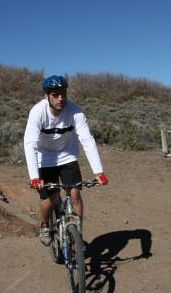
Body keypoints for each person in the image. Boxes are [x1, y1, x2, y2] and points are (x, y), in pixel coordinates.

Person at [23, 75, 109, 246]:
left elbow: (87, 140)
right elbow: (30, 144)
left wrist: (99, 172)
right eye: (55, 95)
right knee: (49, 200)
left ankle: (77, 233)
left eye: (63, 94)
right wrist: (34, 177)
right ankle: (45, 225)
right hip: (44, 160)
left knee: (75, 193)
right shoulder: (37, 112)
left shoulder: (75, 111)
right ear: (47, 96)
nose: (60, 99)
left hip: (67, 156)